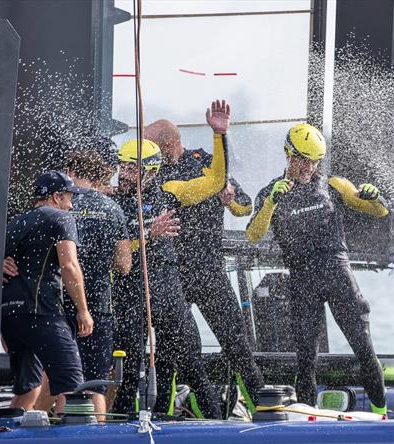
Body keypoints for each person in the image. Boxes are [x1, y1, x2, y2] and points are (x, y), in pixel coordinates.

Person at [246, 122, 388, 415]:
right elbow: (253, 235)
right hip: (302, 280)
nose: (307, 167)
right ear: (288, 154)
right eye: (301, 159)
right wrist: (272, 200)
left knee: (364, 349)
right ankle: (308, 421)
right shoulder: (270, 192)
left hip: (338, 274)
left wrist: (376, 197)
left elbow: (378, 212)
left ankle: (381, 414)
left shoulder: (333, 184)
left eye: (313, 161)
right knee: (306, 361)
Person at [112, 99, 230, 419]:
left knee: (191, 363)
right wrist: (148, 236)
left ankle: (218, 427)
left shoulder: (170, 190)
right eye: (122, 165)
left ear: (151, 170)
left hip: (168, 290)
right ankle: (121, 430)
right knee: (130, 370)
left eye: (132, 167)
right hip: (131, 292)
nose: (124, 173)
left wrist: (219, 136)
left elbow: (216, 181)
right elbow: (118, 257)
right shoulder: (112, 205)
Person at [145, 119, 265, 410]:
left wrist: (229, 199)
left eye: (152, 148)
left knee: (237, 346)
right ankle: (165, 412)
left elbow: (246, 207)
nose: (147, 154)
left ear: (169, 145)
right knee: (170, 353)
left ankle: (262, 408)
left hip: (209, 271)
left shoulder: (207, 163)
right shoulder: (152, 173)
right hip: (173, 277)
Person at [1, 170, 93, 411]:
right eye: (69, 198)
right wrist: (83, 310)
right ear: (55, 196)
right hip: (43, 313)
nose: (71, 206)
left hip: (10, 318)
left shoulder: (15, 223)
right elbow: (69, 266)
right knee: (72, 384)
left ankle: (11, 443)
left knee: (28, 387)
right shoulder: (60, 219)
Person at [62, 148, 132, 417]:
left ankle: (58, 443)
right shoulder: (112, 208)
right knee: (96, 384)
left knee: (63, 382)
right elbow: (124, 266)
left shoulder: (61, 204)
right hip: (99, 306)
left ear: (70, 173)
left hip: (59, 303)